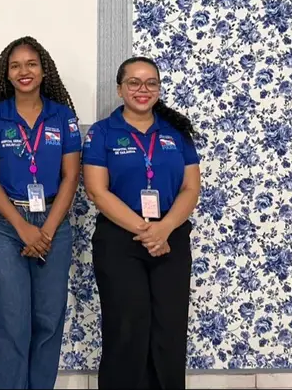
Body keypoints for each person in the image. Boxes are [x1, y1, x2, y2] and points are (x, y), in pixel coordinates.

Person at [82, 56, 201, 390]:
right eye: (133, 82)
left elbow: (191, 188)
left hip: (171, 239)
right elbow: (96, 190)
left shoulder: (176, 132)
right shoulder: (102, 133)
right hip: (119, 242)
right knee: (127, 328)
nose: (142, 89)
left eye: (151, 83)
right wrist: (145, 230)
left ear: (159, 89)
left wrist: (163, 229)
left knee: (169, 329)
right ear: (120, 89)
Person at [0, 36, 81, 389]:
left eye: (31, 64)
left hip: (55, 224)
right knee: (12, 321)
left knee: (49, 321)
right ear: (6, 74)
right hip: (8, 227)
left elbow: (71, 177)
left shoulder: (63, 117)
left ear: (43, 70)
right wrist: (23, 228)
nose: (24, 71)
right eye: (16, 65)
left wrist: (47, 231)